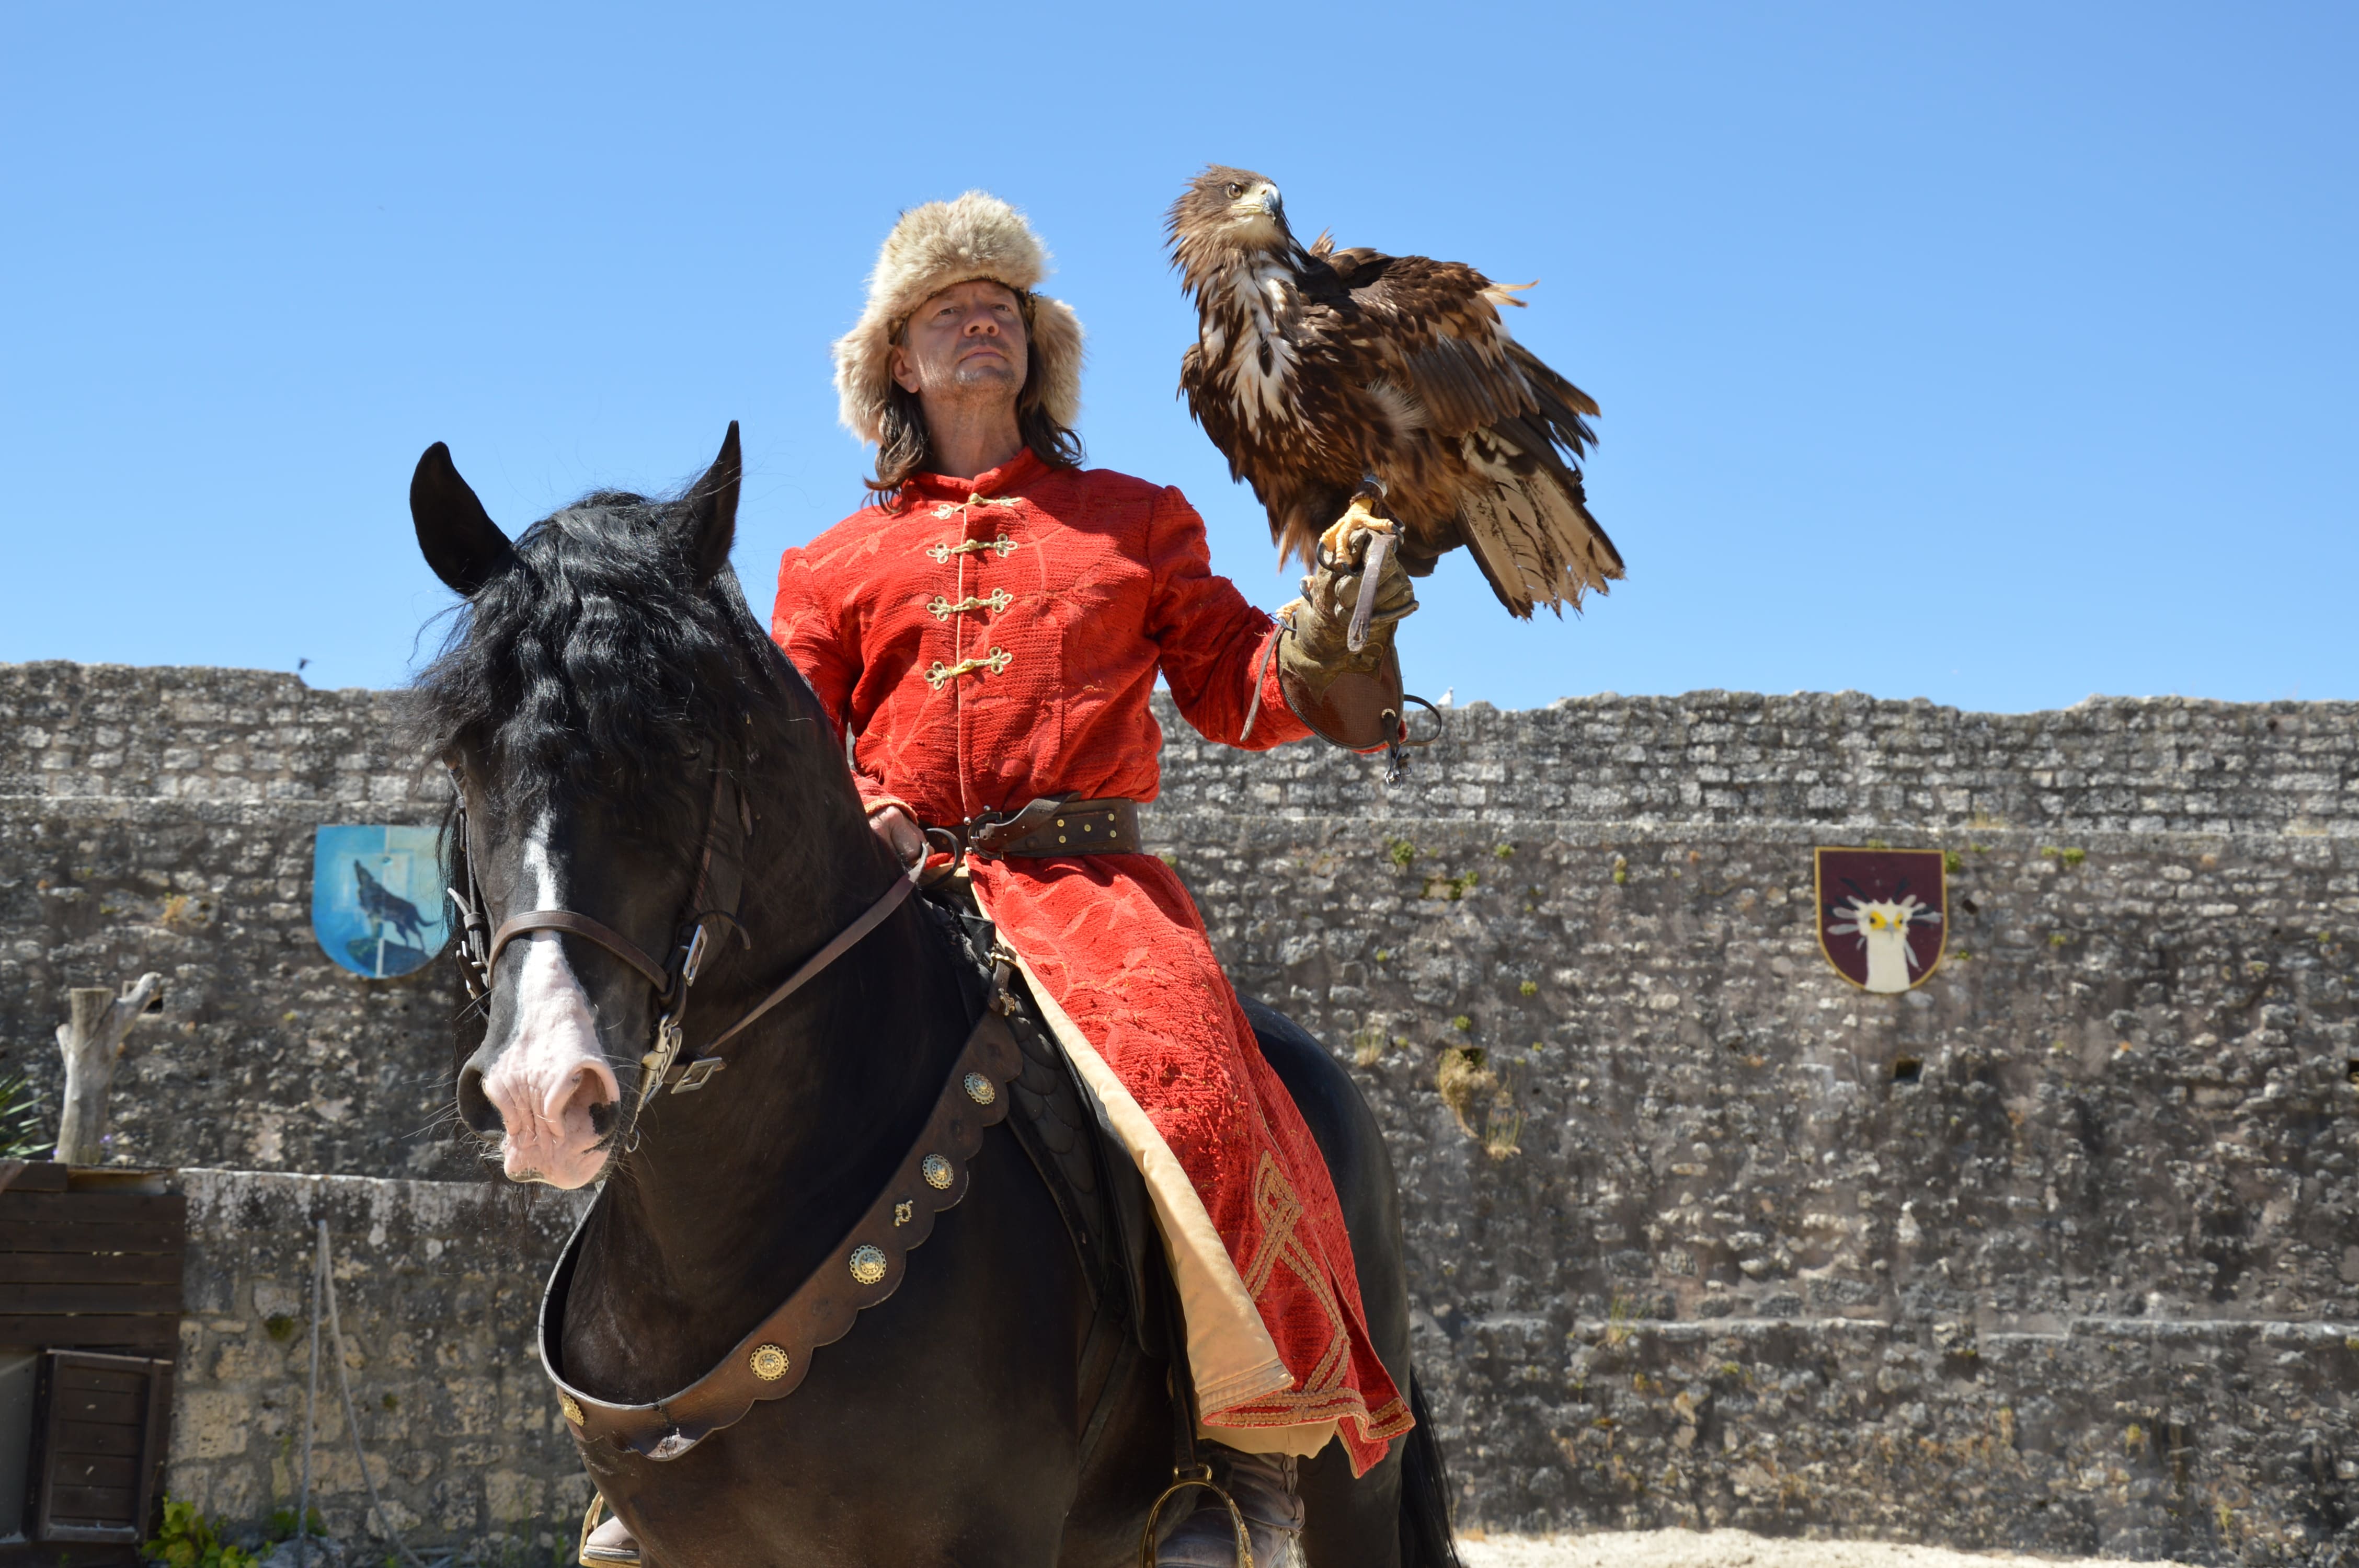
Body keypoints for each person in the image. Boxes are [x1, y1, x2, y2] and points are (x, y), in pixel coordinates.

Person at [587, 191, 1416, 1568]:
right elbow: (796, 747)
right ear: (897, 363)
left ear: (1038, 351)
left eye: (1005, 308)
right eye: (949, 309)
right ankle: (670, 1449)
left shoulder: (1136, 522)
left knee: (1201, 1089)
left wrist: (1321, 651)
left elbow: (1238, 684)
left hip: (1091, 901)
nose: (985, 322)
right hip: (886, 903)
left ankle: (1236, 1447)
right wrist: (854, 817)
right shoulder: (831, 564)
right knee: (708, 1085)